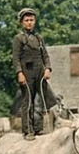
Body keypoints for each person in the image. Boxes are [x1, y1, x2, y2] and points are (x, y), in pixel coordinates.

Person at [11, 8, 57, 140]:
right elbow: (15, 58)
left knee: (41, 101)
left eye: (31, 20)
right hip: (26, 72)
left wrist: (47, 69)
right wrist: (19, 73)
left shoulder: (39, 38)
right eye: (26, 20)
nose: (29, 23)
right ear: (21, 22)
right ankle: (28, 130)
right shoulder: (18, 39)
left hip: (40, 72)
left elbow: (45, 56)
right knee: (28, 102)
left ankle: (38, 129)